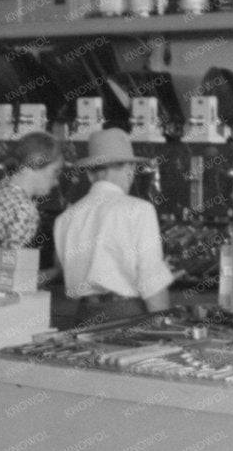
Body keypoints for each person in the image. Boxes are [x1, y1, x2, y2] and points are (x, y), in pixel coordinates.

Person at [52, 128, 174, 324]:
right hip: (127, 315)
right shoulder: (139, 209)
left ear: (91, 176)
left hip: (83, 316)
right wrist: (166, 326)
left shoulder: (65, 218)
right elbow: (151, 281)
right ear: (129, 169)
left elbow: (64, 267)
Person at [0, 130, 63, 249]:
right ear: (37, 163)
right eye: (55, 172)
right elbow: (12, 264)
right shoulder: (24, 210)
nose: (56, 182)